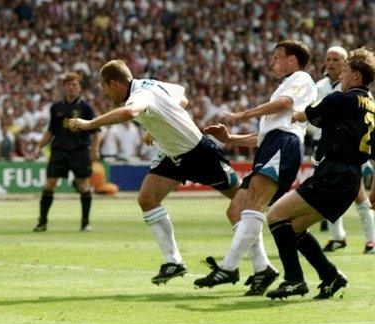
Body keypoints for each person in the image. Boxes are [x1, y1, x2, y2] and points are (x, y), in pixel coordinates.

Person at [69, 60, 240, 285]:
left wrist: (88, 124)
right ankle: (174, 261)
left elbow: (130, 111)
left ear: (114, 83)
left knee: (243, 201)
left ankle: (260, 266)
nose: (105, 93)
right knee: (147, 198)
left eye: (104, 87)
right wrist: (159, 121)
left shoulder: (139, 95)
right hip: (172, 153)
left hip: (198, 152)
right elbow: (182, 97)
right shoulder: (151, 84)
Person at [195, 40, 317, 295]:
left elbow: (285, 107)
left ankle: (228, 267)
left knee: (254, 204)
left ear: (292, 60)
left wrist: (242, 115)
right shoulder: (284, 85)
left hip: (283, 144)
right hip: (272, 143)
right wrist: (231, 139)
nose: (272, 63)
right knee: (236, 209)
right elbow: (264, 134)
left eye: (277, 57)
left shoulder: (302, 78)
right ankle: (263, 269)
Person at [265, 47, 375, 299]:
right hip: (351, 178)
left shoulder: (341, 98)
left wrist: (293, 115)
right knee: (294, 227)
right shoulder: (371, 106)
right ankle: (330, 275)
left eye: (345, 69)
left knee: (275, 215)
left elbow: (306, 114)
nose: (341, 74)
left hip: (332, 174)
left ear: (356, 76)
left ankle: (294, 279)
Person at [313, 46, 375, 254]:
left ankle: (371, 239)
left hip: (349, 149)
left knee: (358, 195)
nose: (331, 62)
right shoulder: (319, 86)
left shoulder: (358, 92)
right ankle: (338, 236)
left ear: (347, 64)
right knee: (330, 192)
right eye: (328, 58)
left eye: (337, 59)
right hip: (324, 146)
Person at [32, 72, 100, 232]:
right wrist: (39, 147)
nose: (71, 88)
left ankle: (85, 222)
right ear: (64, 87)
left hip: (80, 150)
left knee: (84, 186)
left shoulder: (86, 108)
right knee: (50, 184)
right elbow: (50, 131)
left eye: (75, 85)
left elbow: (96, 131)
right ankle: (42, 222)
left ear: (80, 88)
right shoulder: (56, 108)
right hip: (59, 150)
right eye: (69, 85)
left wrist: (95, 149)